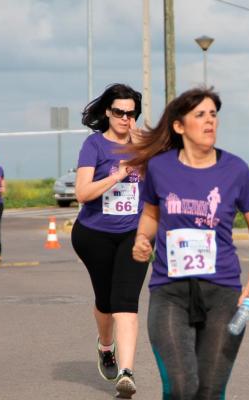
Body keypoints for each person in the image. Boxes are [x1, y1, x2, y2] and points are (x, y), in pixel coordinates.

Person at [130, 87, 249, 399]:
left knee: (209, 391)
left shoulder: (235, 170)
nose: (210, 122)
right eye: (200, 115)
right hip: (170, 292)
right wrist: (142, 239)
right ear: (179, 126)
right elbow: (151, 214)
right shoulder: (160, 167)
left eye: (213, 115)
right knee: (181, 387)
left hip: (222, 292)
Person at [70, 83, 150, 398]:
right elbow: (82, 193)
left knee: (126, 302)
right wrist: (117, 176)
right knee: (105, 301)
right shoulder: (94, 146)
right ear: (108, 112)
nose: (125, 119)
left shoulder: (145, 145)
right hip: (94, 234)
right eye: (119, 112)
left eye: (131, 114)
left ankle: (126, 373)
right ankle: (106, 346)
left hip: (134, 234)